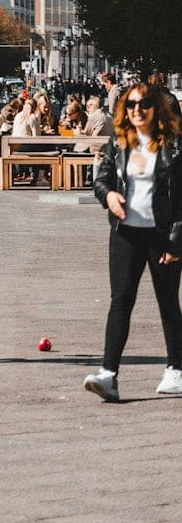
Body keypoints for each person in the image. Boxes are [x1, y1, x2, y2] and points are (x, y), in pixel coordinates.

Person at [84, 81, 182, 401]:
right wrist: (109, 195)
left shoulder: (174, 146)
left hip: (161, 235)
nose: (136, 110)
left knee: (167, 302)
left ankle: (176, 369)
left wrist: (176, 241)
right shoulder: (118, 143)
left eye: (143, 105)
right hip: (126, 233)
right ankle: (108, 374)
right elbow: (100, 180)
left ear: (157, 109)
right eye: (131, 105)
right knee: (120, 300)